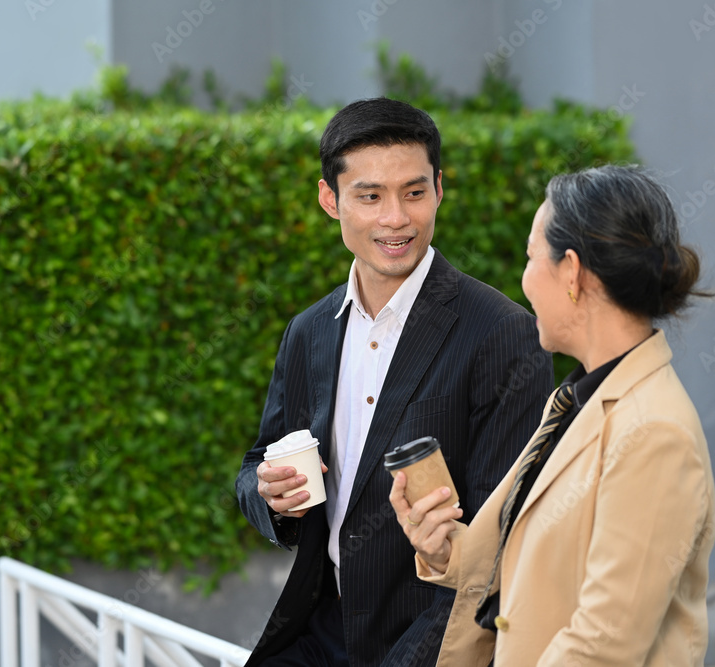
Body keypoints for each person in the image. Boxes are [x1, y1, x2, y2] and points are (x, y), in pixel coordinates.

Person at [235, 97, 553, 667]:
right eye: (370, 196)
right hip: (318, 629)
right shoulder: (308, 331)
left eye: (413, 191)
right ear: (329, 200)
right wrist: (273, 499)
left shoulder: (503, 334)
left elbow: (498, 543)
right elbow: (257, 461)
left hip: (429, 640)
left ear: (439, 187)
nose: (396, 219)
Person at [390, 164, 715, 666]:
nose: (523, 280)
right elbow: (527, 561)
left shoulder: (653, 432)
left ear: (572, 272)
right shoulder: (577, 400)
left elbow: (604, 644)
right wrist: (442, 548)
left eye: (530, 256)